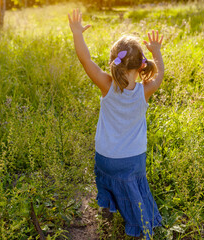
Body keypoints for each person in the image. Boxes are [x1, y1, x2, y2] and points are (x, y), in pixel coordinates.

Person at [68, 8, 165, 239]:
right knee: (133, 189)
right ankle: (139, 224)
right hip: (132, 160)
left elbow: (85, 60)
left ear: (114, 62)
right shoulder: (145, 91)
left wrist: (77, 33)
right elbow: (159, 75)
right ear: (142, 66)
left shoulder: (106, 85)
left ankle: (107, 210)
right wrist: (157, 52)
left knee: (109, 182)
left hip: (106, 157)